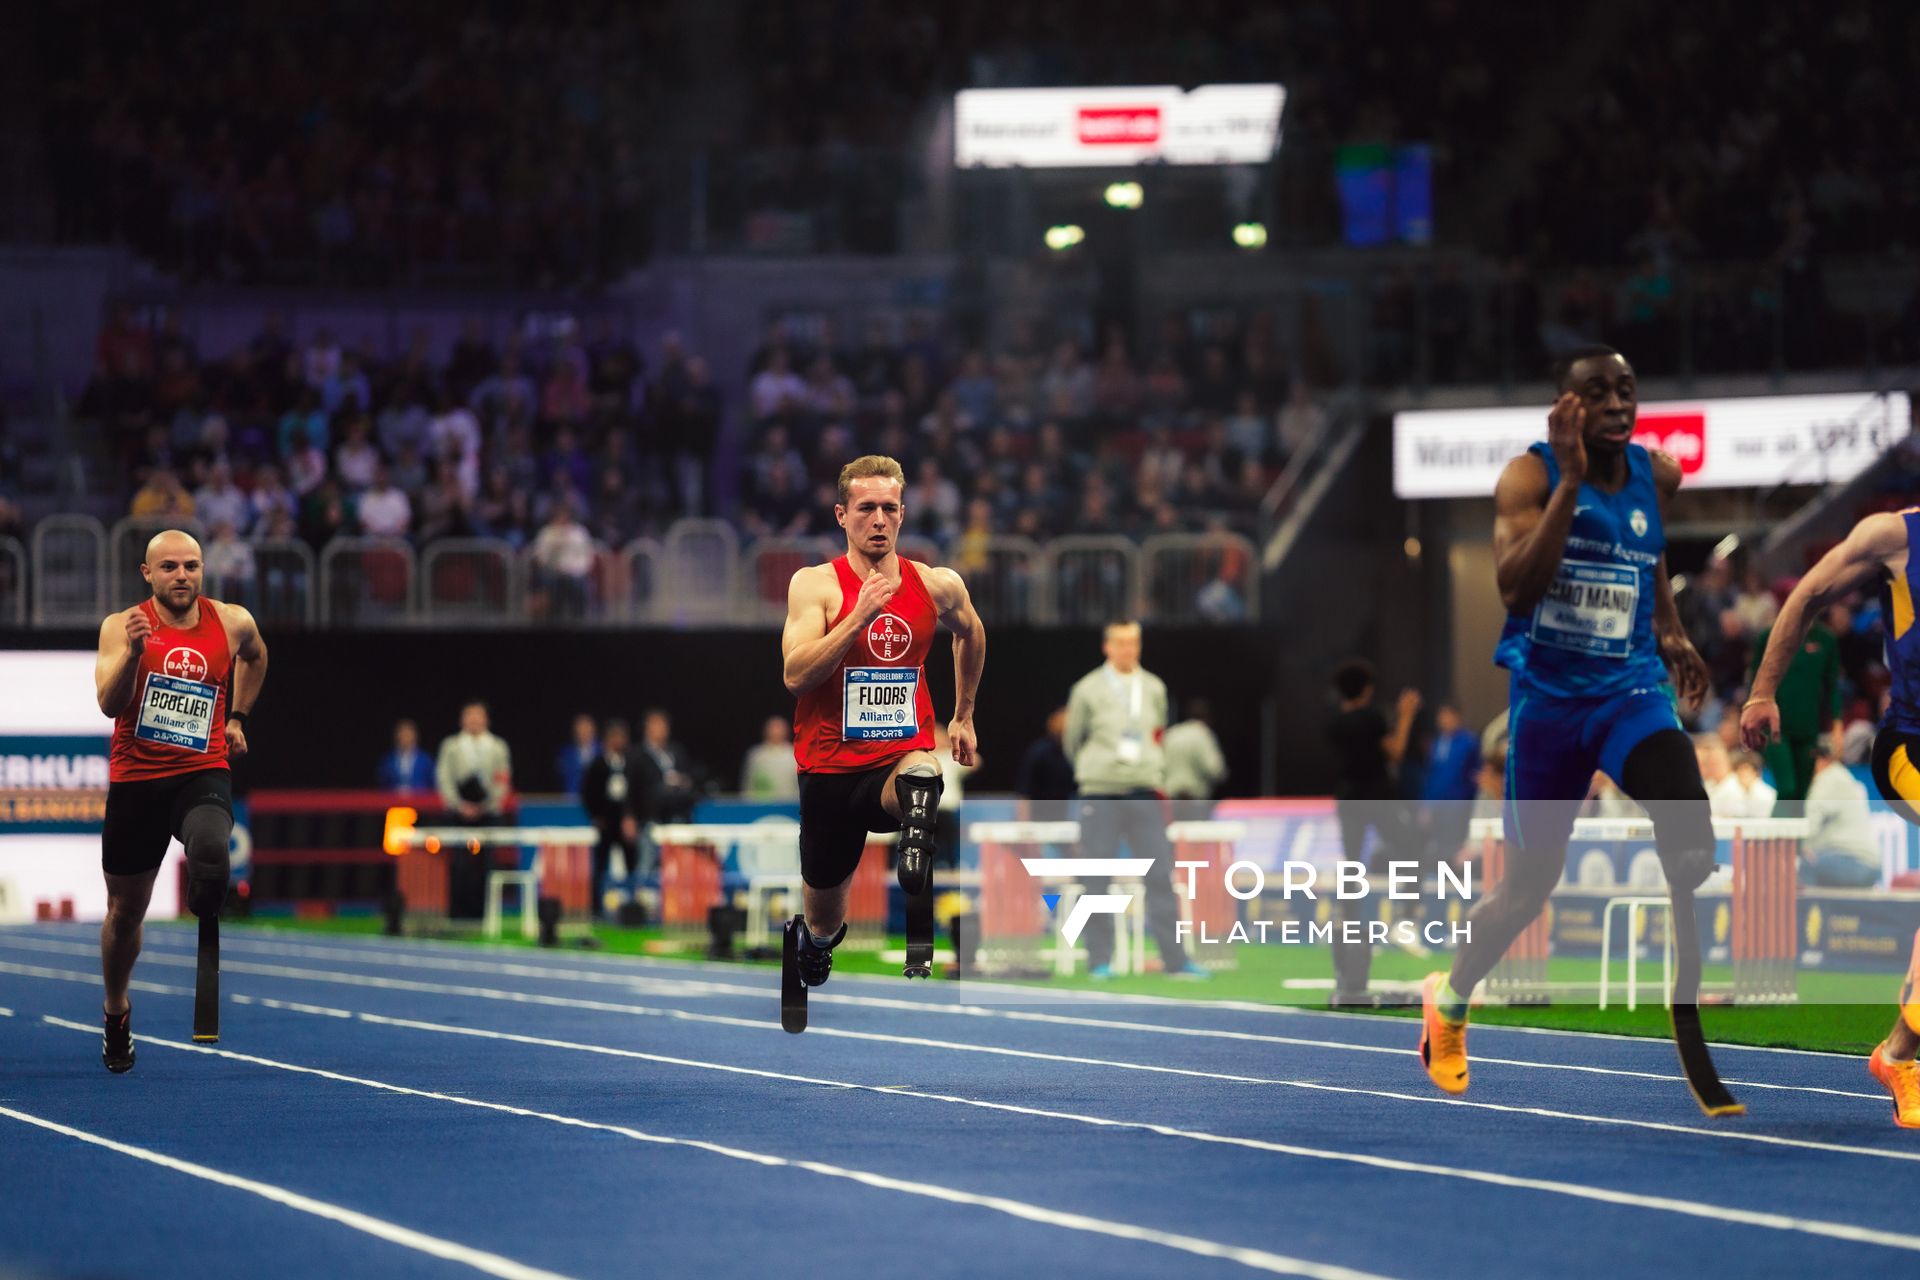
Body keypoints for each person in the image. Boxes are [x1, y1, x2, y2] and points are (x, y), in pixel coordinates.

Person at [1423, 346, 1720, 1101]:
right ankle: (1450, 1002)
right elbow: (1517, 588)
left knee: (1687, 811)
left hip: (1628, 691)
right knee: (1526, 892)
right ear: (1567, 407)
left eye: (1628, 389)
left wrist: (1671, 627)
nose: (1618, 404)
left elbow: (1642, 548)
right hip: (1549, 707)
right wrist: (1572, 482)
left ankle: (1687, 855)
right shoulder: (1530, 476)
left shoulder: (1658, 473)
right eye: (1598, 393)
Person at [1741, 507, 1920, 1125]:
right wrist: (1764, 690)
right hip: (1909, 747)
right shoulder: (1895, 536)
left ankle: (1901, 1053)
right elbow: (1809, 593)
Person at [782, 455, 984, 986]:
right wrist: (857, 618)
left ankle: (916, 846)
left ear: (902, 514)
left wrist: (963, 715)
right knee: (826, 917)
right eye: (866, 508)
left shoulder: (934, 584)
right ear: (841, 515)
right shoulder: (815, 586)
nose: (878, 519)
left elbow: (972, 631)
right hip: (828, 772)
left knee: (925, 772)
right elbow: (796, 676)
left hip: (896, 760)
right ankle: (816, 939)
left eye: (889, 508)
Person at [94, 530, 268, 1071]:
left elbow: (256, 657)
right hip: (137, 780)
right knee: (125, 913)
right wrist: (135, 655)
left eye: (191, 566)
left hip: (201, 769)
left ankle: (210, 890)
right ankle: (117, 1007)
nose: (182, 576)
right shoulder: (122, 626)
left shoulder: (232, 621)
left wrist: (236, 717)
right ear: (148, 574)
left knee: (212, 845)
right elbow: (107, 703)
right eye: (169, 567)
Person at [1064, 620, 1202, 979]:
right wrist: (1098, 769)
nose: (1129, 650)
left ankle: (1176, 961)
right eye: (1121, 643)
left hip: (1144, 790)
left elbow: (1156, 734)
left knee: (1159, 876)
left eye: (1134, 643)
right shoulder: (1087, 689)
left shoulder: (1154, 686)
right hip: (1100, 791)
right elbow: (1073, 740)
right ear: (1107, 646)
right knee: (1096, 879)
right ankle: (1100, 960)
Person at [1327, 660, 1422, 999]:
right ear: (1366, 689)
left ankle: (1348, 924)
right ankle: (1405, 916)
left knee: (1353, 867)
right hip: (1378, 798)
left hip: (1348, 799)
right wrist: (1406, 715)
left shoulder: (1335, 723)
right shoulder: (1372, 718)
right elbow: (1394, 752)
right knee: (1411, 849)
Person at [1746, 612, 1843, 804]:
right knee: (1787, 789)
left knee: (1801, 797)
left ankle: (1788, 835)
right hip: (1773, 729)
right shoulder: (1769, 635)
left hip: (1808, 730)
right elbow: (1754, 681)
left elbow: (1832, 685)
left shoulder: (1826, 639)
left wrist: (1837, 726)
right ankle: (1773, 835)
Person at [434, 700, 513, 920]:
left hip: (488, 814)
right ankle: (459, 912)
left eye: (478, 715)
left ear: (486, 719)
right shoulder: (451, 746)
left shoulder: (498, 747)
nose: (474, 720)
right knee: (458, 863)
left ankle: (487, 913)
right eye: (470, 715)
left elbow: (502, 780)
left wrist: (484, 806)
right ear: (462, 719)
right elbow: (444, 778)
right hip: (458, 814)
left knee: (488, 864)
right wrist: (460, 805)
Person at [1797, 741, 1880, 888]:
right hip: (1866, 864)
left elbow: (1811, 821)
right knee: (1816, 862)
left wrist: (1799, 849)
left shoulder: (1828, 779)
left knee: (1805, 866)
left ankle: (1810, 911)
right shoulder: (1843, 777)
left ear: (1820, 761)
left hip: (1854, 861)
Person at [580, 719, 640, 919]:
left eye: (622, 737)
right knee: (600, 865)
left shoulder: (631, 763)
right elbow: (587, 792)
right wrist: (596, 816)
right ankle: (596, 908)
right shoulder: (598, 763)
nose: (619, 741)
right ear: (607, 739)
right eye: (615, 737)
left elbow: (638, 793)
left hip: (626, 823)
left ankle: (633, 907)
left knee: (632, 864)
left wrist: (632, 818)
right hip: (605, 823)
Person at [1163, 698, 1228, 817]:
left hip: (1171, 803)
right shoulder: (1203, 734)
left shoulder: (1171, 734)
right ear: (1207, 718)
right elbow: (1215, 770)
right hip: (1194, 803)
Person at [636, 709, 701, 826]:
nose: (662, 728)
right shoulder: (637, 755)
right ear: (647, 727)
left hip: (679, 815)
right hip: (650, 818)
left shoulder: (677, 751)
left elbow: (689, 777)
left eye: (664, 724)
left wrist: (683, 781)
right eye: (657, 724)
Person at [1015, 707, 1077, 820]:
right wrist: (1024, 825)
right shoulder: (1039, 752)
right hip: (1039, 815)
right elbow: (1024, 792)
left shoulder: (1075, 753)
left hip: (1064, 815)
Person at [739, 715, 800, 799]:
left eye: (779, 728)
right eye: (773, 728)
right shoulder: (756, 755)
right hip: (760, 803)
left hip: (788, 803)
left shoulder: (794, 754)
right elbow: (748, 783)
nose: (776, 732)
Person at [377, 718, 434, 792]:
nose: (405, 736)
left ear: (415, 735)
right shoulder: (388, 760)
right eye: (402, 733)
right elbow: (382, 784)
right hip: (393, 801)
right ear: (396, 736)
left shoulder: (426, 760)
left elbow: (432, 784)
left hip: (420, 800)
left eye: (408, 733)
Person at [555, 713, 599, 795]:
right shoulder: (566, 753)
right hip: (572, 800)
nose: (584, 732)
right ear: (575, 731)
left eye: (586, 728)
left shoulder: (603, 751)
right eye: (580, 729)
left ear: (593, 730)